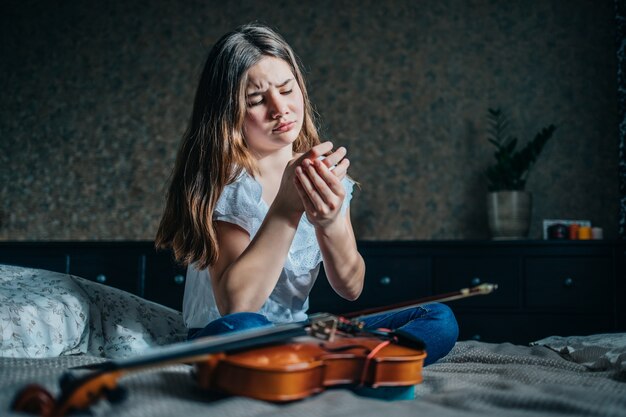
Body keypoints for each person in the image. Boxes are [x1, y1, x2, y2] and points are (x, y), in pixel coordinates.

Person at [155, 23, 458, 373]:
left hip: (296, 335)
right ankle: (344, 365)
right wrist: (287, 206)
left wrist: (330, 224)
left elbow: (351, 287)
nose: (279, 109)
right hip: (227, 334)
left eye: (287, 90)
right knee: (247, 329)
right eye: (256, 100)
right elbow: (237, 306)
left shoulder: (323, 175)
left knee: (438, 318)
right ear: (228, 113)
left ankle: (320, 365)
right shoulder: (227, 182)